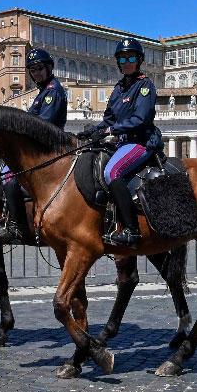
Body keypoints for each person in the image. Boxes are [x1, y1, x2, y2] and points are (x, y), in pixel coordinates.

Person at [77, 38, 163, 247]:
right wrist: (91, 132)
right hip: (122, 143)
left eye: (131, 58)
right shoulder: (119, 89)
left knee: (111, 172)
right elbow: (108, 119)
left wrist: (110, 130)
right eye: (122, 58)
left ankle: (132, 231)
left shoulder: (145, 86)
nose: (127, 62)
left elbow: (140, 119)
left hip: (142, 142)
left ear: (139, 60)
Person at [0, 48, 67, 243]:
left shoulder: (52, 92)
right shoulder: (42, 93)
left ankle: (17, 226)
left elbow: (42, 124)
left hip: (46, 147)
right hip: (38, 146)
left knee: (9, 175)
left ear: (49, 67)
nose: (36, 73)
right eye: (32, 70)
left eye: (40, 68)